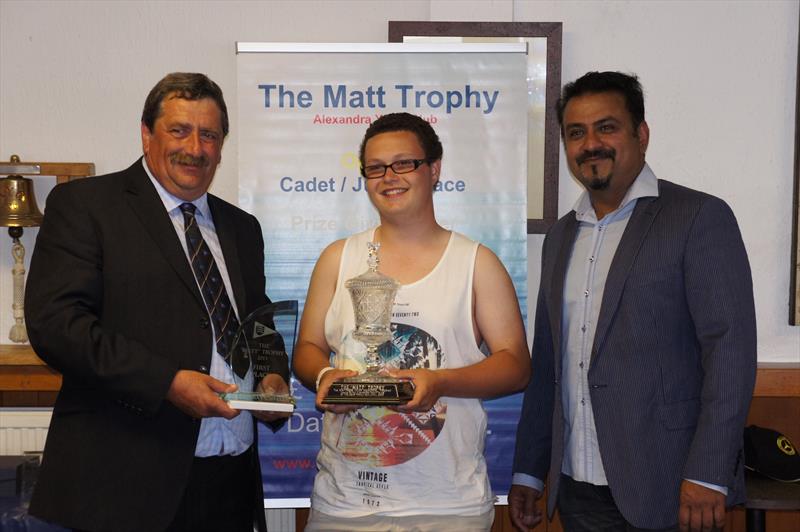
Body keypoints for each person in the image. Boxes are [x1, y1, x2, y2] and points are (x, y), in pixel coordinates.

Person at [24, 72, 290, 532]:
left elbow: (256, 324)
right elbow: (57, 326)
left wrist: (272, 376)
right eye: (179, 130)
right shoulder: (86, 205)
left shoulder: (242, 228)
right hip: (123, 486)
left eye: (209, 135)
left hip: (229, 481)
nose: (195, 148)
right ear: (147, 135)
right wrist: (166, 382)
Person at [509, 71, 757, 532]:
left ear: (641, 134)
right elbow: (547, 363)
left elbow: (730, 353)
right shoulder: (561, 236)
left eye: (606, 127)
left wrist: (709, 472)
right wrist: (529, 468)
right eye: (576, 133)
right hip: (577, 487)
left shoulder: (697, 217)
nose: (590, 144)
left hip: (673, 485)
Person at [292, 112, 530, 531]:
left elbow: (516, 366)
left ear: (434, 169)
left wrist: (440, 382)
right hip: (344, 504)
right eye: (376, 168)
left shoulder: (476, 263)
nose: (389, 177)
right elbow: (307, 349)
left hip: (447, 507)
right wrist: (327, 377)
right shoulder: (337, 258)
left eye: (404, 163)